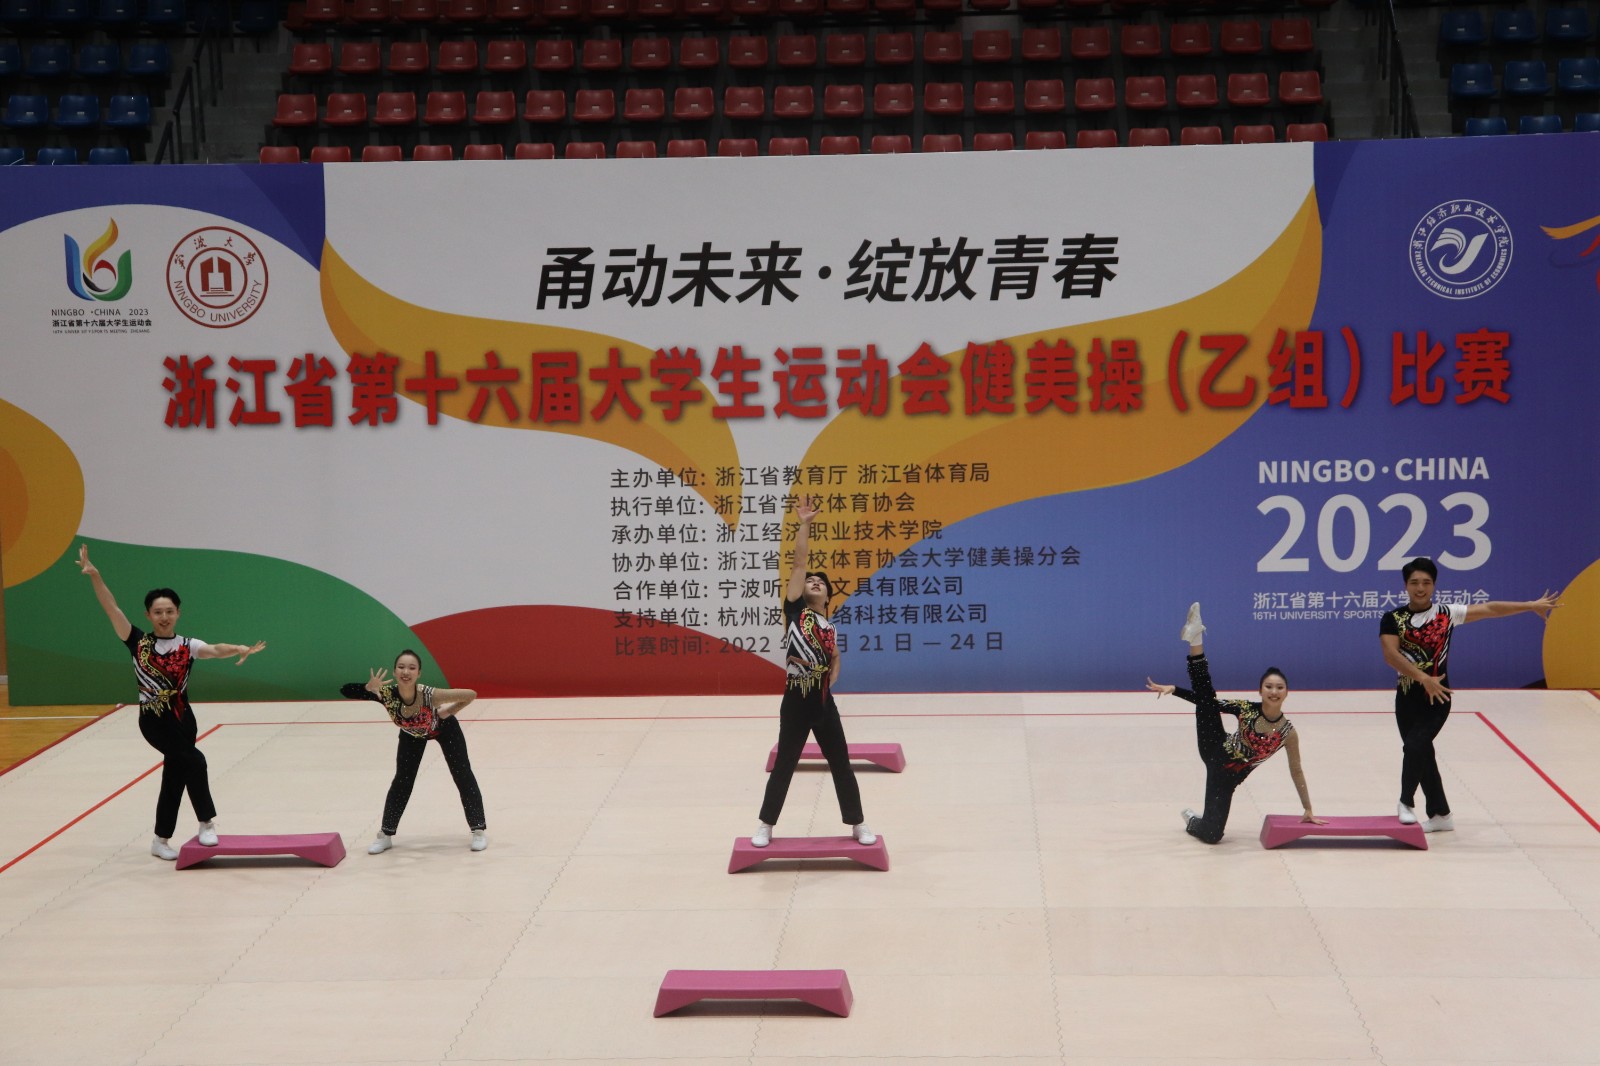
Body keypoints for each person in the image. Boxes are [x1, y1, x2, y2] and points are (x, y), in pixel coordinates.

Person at [77, 544, 267, 861]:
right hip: (154, 721)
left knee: (176, 775)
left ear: (178, 612)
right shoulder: (137, 642)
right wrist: (95, 575)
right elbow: (112, 608)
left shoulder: (188, 645)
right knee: (196, 761)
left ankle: (160, 839)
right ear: (148, 615)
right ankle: (207, 822)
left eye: (169, 611)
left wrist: (238, 648)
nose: (164, 617)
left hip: (183, 718)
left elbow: (215, 649)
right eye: (157, 612)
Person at [1380, 557, 1562, 833]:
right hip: (1407, 697)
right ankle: (1441, 815)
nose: (1420, 588)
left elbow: (1490, 608)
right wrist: (1422, 678)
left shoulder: (1447, 614)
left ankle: (1405, 802)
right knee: (1422, 753)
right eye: (1414, 582)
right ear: (1406, 586)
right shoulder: (1393, 619)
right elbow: (1391, 655)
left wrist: (1530, 605)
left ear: (1434, 585)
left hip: (1437, 697)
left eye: (1426, 582)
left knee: (1415, 747)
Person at [752, 494, 876, 848]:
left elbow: (835, 655)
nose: (815, 581)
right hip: (795, 702)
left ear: (828, 597)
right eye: (811, 581)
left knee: (841, 763)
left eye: (822, 582)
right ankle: (765, 825)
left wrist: (834, 672)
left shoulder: (828, 626)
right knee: (785, 764)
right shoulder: (796, 612)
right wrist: (804, 525)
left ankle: (858, 823)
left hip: (823, 704)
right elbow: (799, 564)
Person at [1146, 602, 1322, 844]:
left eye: (1279, 687)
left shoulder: (1288, 733)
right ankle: (1195, 637)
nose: (1274, 691)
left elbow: (1296, 770)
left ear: (1286, 692)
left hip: (1228, 778)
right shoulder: (1246, 708)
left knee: (1212, 835)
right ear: (1260, 690)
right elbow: (1207, 703)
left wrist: (1307, 808)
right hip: (1215, 747)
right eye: (1269, 686)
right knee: (1207, 696)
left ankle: (1192, 820)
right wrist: (1175, 690)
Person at [341, 649, 486, 853]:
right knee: (402, 780)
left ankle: (478, 830)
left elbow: (470, 695)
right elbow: (345, 690)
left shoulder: (431, 694)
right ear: (394, 672)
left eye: (411, 668)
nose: (406, 672)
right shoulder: (386, 694)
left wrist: (448, 711)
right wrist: (367, 688)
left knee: (462, 774)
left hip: (444, 729)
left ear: (419, 673)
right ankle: (385, 834)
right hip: (411, 734)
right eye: (401, 667)